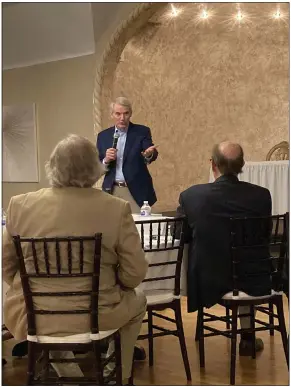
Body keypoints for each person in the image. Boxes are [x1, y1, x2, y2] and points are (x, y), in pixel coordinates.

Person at [3, 134, 148, 384]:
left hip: (35, 316)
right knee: (139, 301)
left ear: (52, 167)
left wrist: (31, 291)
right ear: (95, 168)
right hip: (99, 314)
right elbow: (134, 273)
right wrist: (117, 283)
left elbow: (6, 264)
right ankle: (118, 376)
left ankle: (69, 374)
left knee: (47, 322)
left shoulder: (19, 205)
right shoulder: (115, 208)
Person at [176, 141, 272, 355]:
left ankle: (207, 330)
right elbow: (265, 235)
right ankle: (247, 336)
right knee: (242, 263)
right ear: (242, 165)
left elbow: (181, 237)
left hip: (209, 278)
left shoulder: (191, 196)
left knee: (216, 260)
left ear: (213, 165)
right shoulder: (262, 195)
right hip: (253, 275)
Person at [96, 97, 158, 213]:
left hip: (136, 190)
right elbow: (97, 164)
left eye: (126, 113)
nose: (122, 118)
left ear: (130, 114)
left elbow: (150, 152)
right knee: (112, 228)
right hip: (112, 189)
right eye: (118, 114)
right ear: (112, 115)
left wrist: (148, 154)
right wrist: (106, 159)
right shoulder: (103, 136)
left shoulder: (141, 132)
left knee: (137, 228)